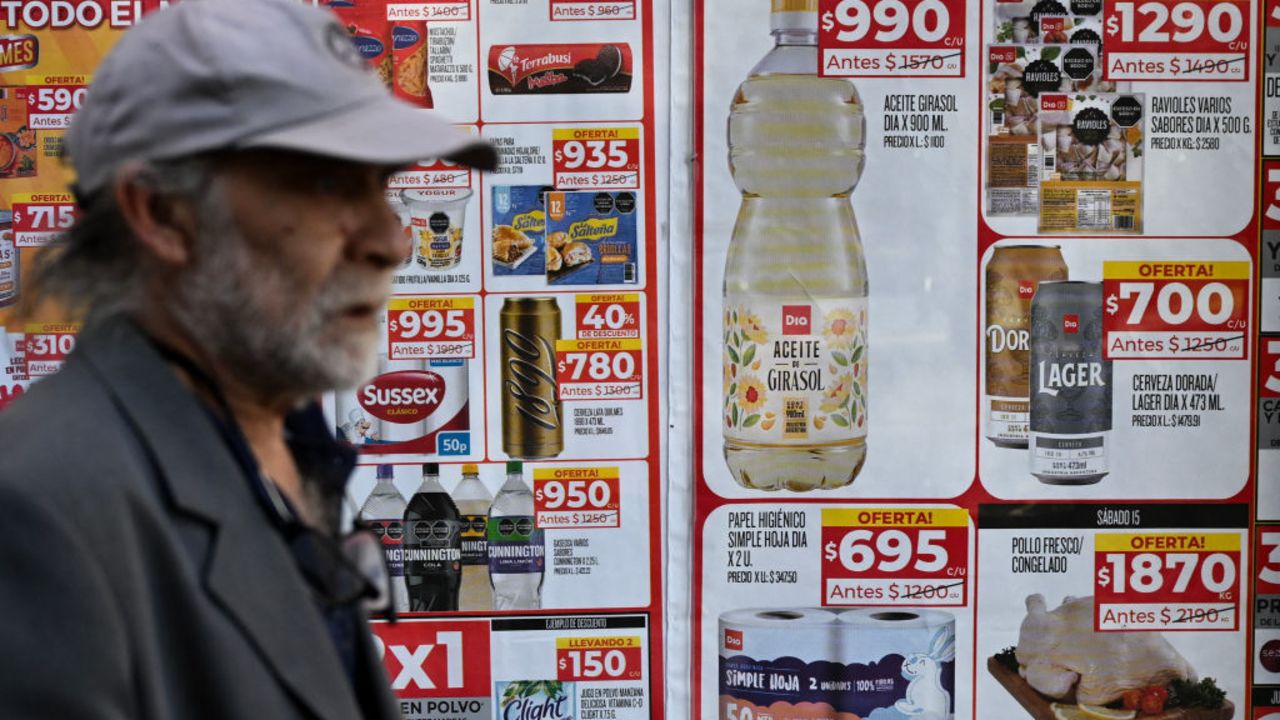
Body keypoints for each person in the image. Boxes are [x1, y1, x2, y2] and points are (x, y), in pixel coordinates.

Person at [0, 1, 494, 718]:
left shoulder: (287, 445)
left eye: (382, 186)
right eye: (328, 184)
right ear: (165, 215)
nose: (392, 241)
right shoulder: (43, 510)